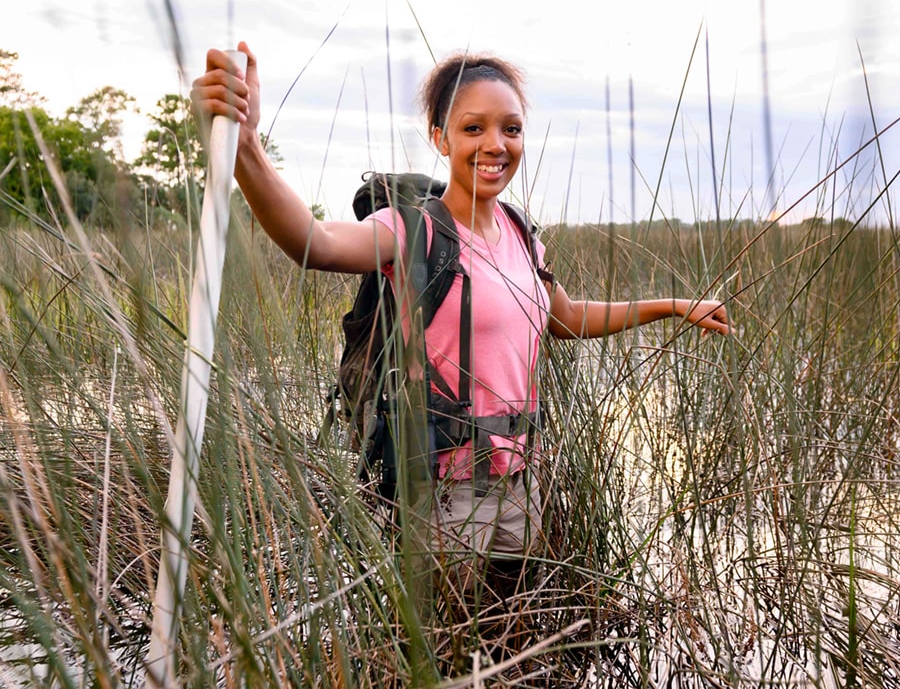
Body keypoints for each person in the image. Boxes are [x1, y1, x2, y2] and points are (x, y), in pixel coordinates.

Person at [191, 40, 731, 665]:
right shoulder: (412, 230)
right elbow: (314, 243)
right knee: (441, 659)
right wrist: (247, 150)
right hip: (443, 496)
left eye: (511, 128)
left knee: (510, 648)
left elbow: (566, 317)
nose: (495, 144)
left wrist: (671, 307)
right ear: (440, 137)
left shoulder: (522, 235)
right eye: (473, 128)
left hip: (519, 482)